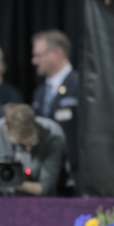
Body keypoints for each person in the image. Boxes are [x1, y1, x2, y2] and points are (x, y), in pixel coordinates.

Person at [0, 103, 70, 197]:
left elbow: (46, 188)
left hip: (43, 199)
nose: (28, 149)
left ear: (36, 126)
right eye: (21, 145)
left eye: (33, 143)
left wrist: (11, 182)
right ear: (6, 130)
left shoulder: (53, 136)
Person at [31, 29, 80, 182]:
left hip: (75, 174)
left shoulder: (80, 85)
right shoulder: (39, 92)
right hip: (47, 175)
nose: (34, 61)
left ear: (57, 54)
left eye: (38, 55)